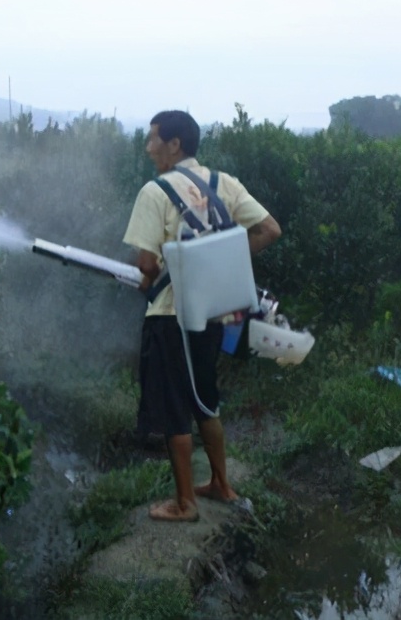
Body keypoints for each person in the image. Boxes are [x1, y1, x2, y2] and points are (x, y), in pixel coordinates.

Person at [123, 110, 281, 522]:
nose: (148, 146)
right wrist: (222, 263)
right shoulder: (222, 183)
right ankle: (220, 485)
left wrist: (150, 279)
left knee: (175, 407)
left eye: (153, 138)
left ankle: (185, 504)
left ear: (174, 144)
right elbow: (269, 230)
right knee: (205, 400)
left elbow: (145, 263)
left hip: (170, 316)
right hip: (213, 312)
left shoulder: (154, 192)